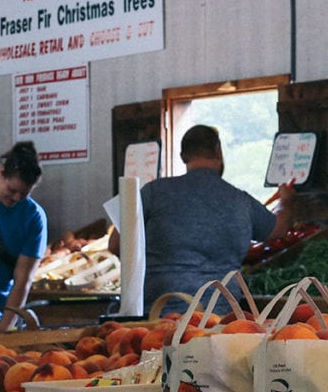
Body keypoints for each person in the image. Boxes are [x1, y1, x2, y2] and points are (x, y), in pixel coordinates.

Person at [110, 125, 295, 316]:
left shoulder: (153, 192)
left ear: (183, 156)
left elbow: (116, 244)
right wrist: (286, 201)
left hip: (159, 312)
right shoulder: (240, 199)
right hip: (220, 314)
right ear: (218, 152)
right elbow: (278, 230)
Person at [0, 142, 47, 330]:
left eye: (24, 194)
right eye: (12, 190)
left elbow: (23, 280)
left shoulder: (33, 217)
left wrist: (3, 333)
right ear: (2, 172)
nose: (16, 199)